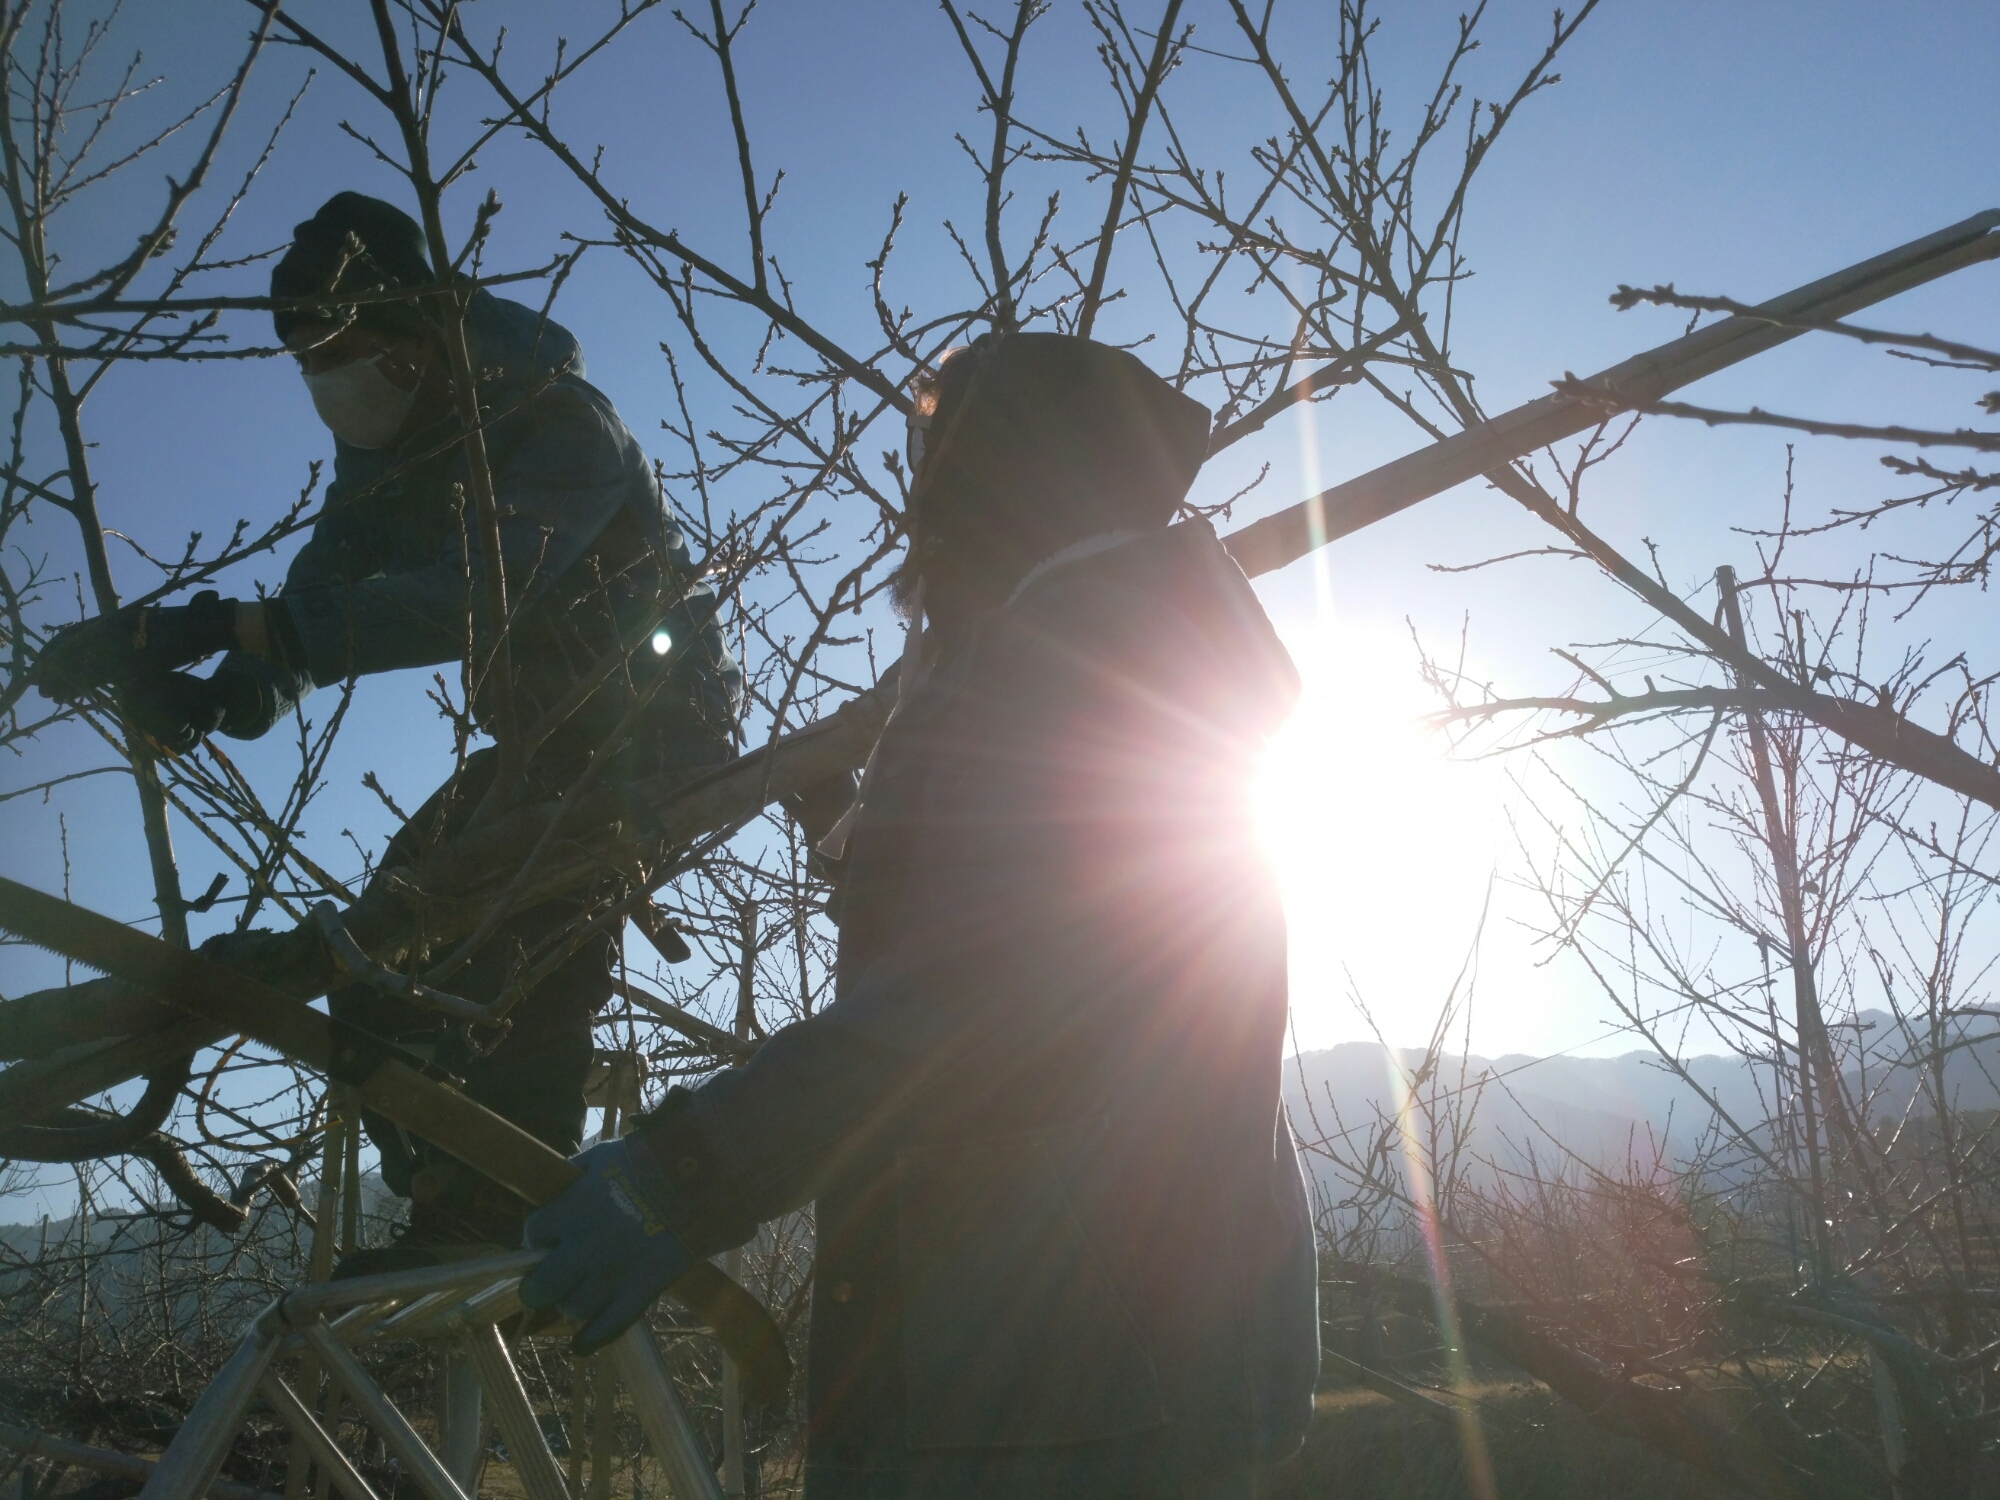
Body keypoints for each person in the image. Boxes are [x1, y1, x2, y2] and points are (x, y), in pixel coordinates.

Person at [519, 332, 1318, 1498]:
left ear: (1005, 480)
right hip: (1081, 1363)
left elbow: (997, 1002)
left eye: (937, 464)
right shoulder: (1101, 645)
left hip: (1064, 1390)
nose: (916, 504)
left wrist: (685, 1169)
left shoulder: (1085, 658)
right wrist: (854, 818)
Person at [32, 192, 742, 1261]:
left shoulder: (555, 419)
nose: (326, 375)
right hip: (536, 750)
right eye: (305, 356)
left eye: (340, 344)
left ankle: (502, 1208)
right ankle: (446, 1191)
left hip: (654, 733)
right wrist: (221, 691)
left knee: (514, 927)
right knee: (393, 934)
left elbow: (472, 594)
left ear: (416, 329)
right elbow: (318, 598)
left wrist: (219, 622)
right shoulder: (386, 470)